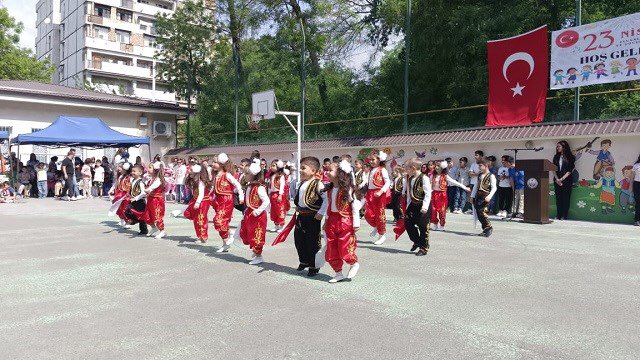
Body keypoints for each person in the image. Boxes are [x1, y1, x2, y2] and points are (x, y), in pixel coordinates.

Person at [324, 160, 361, 283]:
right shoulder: (329, 190)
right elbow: (329, 206)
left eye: (330, 170)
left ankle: (353, 263)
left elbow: (355, 205)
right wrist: (326, 220)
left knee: (344, 247)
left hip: (345, 221)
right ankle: (338, 273)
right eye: (327, 170)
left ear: (339, 173)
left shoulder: (346, 189)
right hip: (332, 221)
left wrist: (356, 222)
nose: (327, 172)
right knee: (331, 248)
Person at [293, 156, 328, 277]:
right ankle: (304, 261)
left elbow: (326, 200)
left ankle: (314, 266)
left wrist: (321, 213)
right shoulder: (302, 183)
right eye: (300, 168)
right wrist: (298, 205)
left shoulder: (318, 184)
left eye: (303, 168)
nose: (300, 170)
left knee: (312, 242)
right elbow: (301, 197)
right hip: (301, 216)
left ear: (313, 171)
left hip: (313, 217)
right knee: (299, 239)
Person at [238, 159, 270, 265]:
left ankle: (259, 256)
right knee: (249, 233)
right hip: (250, 214)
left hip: (258, 216)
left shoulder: (259, 188)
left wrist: (258, 211)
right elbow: (248, 201)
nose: (245, 175)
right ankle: (255, 252)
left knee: (257, 235)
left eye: (247, 173)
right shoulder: (249, 187)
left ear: (253, 175)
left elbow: (266, 201)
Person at [212, 153, 244, 253]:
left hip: (226, 200)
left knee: (218, 221)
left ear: (221, 164)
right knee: (222, 223)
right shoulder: (217, 175)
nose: (213, 164)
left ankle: (229, 235)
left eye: (215, 162)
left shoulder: (227, 175)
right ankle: (225, 243)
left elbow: (237, 185)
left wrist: (241, 196)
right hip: (219, 200)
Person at [402, 158, 432, 256]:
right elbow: (410, 194)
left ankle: (424, 248)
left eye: (407, 169)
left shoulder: (424, 178)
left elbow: (428, 194)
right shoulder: (410, 178)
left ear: (413, 168)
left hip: (423, 205)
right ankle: (417, 241)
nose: (406, 171)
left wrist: (425, 207)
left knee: (423, 226)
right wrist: (407, 207)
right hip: (413, 204)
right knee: (407, 223)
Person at [429, 161, 469, 231]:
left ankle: (442, 225)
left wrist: (465, 187)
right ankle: (435, 224)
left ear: (442, 168)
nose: (436, 167)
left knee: (442, 211)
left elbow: (455, 182)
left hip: (442, 195)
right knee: (433, 210)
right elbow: (428, 184)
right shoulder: (433, 176)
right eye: (436, 166)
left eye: (438, 166)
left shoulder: (445, 176)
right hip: (434, 194)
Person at [365, 151, 391, 245]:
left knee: (380, 214)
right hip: (370, 193)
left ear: (379, 160)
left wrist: (381, 191)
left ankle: (382, 235)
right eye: (370, 160)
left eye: (373, 159)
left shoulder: (382, 170)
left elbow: (388, 182)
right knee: (368, 214)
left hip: (379, 194)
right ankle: (376, 226)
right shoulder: (371, 170)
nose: (371, 161)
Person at [183, 163, 213, 243]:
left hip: (202, 201)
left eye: (191, 170)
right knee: (194, 217)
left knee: (201, 218)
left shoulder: (200, 182)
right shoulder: (193, 180)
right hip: (196, 200)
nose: (189, 171)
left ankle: (203, 236)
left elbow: (201, 193)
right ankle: (200, 235)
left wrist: (198, 202)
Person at [471, 158, 497, 237]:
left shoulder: (491, 176)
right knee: (478, 213)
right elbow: (476, 186)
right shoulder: (480, 175)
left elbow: (494, 188)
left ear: (486, 166)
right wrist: (472, 196)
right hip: (478, 196)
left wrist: (489, 196)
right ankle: (485, 229)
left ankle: (489, 227)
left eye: (480, 166)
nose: (479, 167)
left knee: (482, 212)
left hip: (485, 196)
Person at [140, 161, 166, 239]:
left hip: (157, 200)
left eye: (150, 167)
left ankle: (162, 231)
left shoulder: (158, 179)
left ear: (155, 170)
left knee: (157, 216)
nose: (148, 169)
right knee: (147, 215)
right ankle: (154, 228)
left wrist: (148, 189)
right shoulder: (151, 178)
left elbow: (153, 187)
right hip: (150, 199)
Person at [552, 141, 576, 220]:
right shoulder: (556, 156)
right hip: (557, 180)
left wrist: (562, 179)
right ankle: (558, 215)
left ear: (564, 147)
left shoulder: (570, 157)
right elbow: (553, 169)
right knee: (558, 198)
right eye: (557, 146)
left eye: (559, 146)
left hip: (567, 181)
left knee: (566, 198)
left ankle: (564, 215)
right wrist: (557, 179)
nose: (557, 148)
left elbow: (570, 170)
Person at [124, 164, 148, 235]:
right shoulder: (133, 180)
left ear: (140, 173)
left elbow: (144, 193)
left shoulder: (141, 182)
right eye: (132, 171)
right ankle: (134, 220)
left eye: (134, 171)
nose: (132, 173)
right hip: (133, 200)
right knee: (127, 211)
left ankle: (144, 230)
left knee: (141, 216)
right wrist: (129, 195)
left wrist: (136, 198)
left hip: (140, 201)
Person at [109, 162, 132, 228]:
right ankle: (122, 219)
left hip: (125, 194)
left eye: (120, 167)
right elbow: (116, 184)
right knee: (118, 207)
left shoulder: (128, 177)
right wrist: (111, 189)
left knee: (125, 208)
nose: (118, 168)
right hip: (118, 194)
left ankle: (127, 221)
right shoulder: (120, 176)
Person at [269, 159, 288, 232]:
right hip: (272, 194)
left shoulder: (281, 176)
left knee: (280, 210)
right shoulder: (273, 175)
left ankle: (281, 225)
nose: (271, 167)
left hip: (278, 195)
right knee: (274, 210)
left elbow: (282, 186)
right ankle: (276, 225)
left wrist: (280, 195)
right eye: (271, 166)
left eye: (273, 166)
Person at [632, 154, 640, 226]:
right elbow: (632, 177)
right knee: (638, 202)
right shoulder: (636, 165)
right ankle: (636, 220)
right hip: (637, 185)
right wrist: (630, 187)